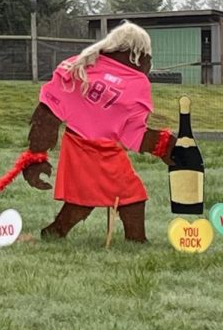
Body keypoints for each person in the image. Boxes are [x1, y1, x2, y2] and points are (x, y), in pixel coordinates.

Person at [21, 22, 174, 242]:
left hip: (81, 145)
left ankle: (55, 232)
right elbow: (134, 135)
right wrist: (167, 147)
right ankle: (136, 241)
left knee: (85, 198)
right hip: (97, 149)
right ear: (139, 54)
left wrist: (36, 153)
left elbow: (49, 111)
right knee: (131, 196)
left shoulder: (81, 65)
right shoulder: (133, 82)